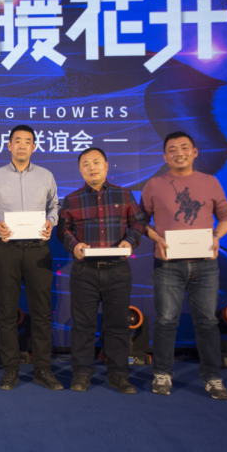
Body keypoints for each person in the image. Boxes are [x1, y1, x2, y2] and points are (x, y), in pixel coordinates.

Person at [140, 131, 227, 400]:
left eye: (184, 148)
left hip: (205, 264)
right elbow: (139, 221)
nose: (178, 153)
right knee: (166, 321)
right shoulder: (154, 185)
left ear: (195, 152)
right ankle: (162, 373)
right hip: (167, 264)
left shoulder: (210, 182)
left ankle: (212, 378)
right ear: (164, 156)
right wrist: (156, 237)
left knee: (207, 322)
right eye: (172, 149)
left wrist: (217, 237)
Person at [57, 147, 147, 394]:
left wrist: (130, 240)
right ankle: (81, 374)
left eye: (96, 162)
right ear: (80, 170)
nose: (91, 167)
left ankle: (118, 375)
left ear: (106, 166)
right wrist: (74, 245)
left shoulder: (124, 194)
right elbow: (62, 230)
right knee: (82, 326)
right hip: (84, 272)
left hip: (117, 270)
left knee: (117, 325)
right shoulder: (72, 199)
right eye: (86, 164)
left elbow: (139, 221)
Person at [0, 125, 62, 391]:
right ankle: (10, 369)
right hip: (8, 249)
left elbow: (54, 206)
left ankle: (43, 369)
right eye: (18, 141)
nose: (22, 145)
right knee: (6, 312)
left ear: (34, 147)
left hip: (38, 249)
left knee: (42, 312)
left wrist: (51, 221)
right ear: (9, 146)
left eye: (28, 141)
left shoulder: (46, 176)